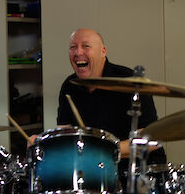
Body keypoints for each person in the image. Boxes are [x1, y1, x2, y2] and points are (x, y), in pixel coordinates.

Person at [56, 28, 166, 189]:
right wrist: (43, 145)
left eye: (86, 46)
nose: (78, 52)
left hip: (139, 176)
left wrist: (103, 150)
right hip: (93, 176)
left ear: (103, 51)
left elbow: (151, 139)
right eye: (73, 47)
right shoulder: (69, 85)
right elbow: (64, 134)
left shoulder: (130, 82)